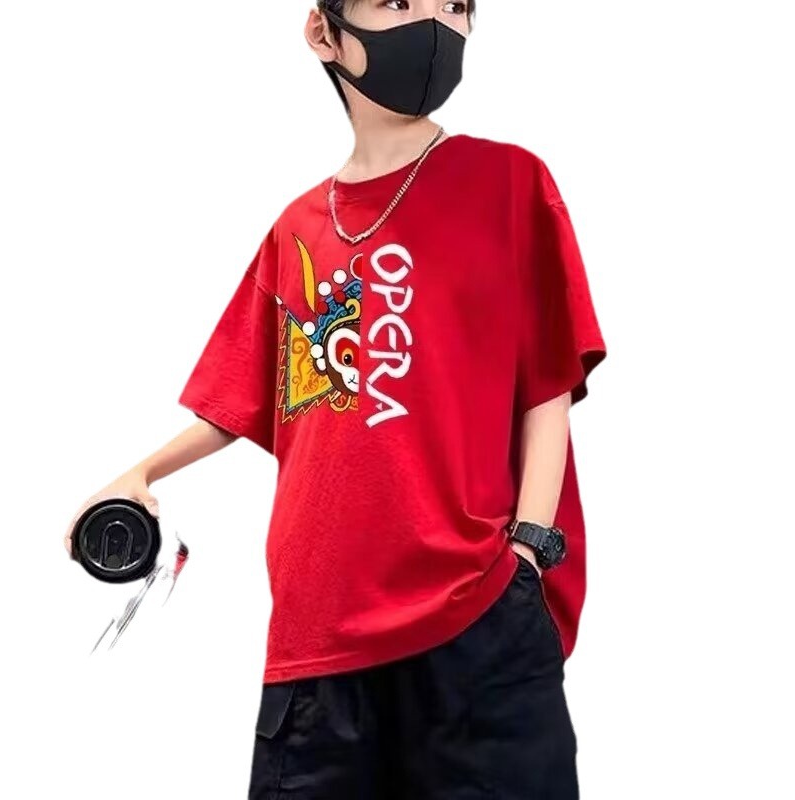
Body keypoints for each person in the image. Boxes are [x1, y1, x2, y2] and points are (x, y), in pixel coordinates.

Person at [64, 1, 607, 797]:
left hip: (475, 619)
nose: (434, 24)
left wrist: (527, 552)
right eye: (398, 1)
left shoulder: (509, 182)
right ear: (325, 33)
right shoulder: (297, 230)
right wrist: (140, 473)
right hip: (317, 638)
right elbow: (243, 392)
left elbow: (547, 386)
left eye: (455, 5)